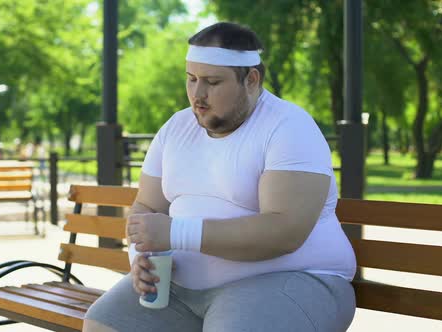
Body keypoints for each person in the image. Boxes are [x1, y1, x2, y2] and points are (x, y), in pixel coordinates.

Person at [83, 22, 357, 332]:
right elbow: (147, 206)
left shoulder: (289, 127)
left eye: (212, 82)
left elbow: (285, 232)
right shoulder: (176, 128)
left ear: (251, 80)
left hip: (291, 280)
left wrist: (176, 233)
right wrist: (140, 257)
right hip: (180, 290)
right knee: (102, 324)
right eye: (191, 79)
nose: (197, 95)